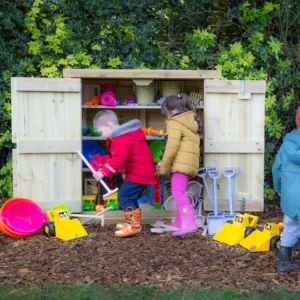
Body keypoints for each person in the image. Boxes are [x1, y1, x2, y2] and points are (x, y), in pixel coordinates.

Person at [92, 110, 157, 237]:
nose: (102, 136)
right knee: (130, 198)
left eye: (101, 132)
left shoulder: (121, 138)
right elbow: (128, 157)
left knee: (124, 197)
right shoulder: (126, 136)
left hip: (139, 173)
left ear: (108, 126)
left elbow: (119, 159)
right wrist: (124, 171)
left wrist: (103, 173)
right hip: (141, 172)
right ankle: (133, 223)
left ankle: (133, 225)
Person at [159, 93, 202, 236]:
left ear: (170, 112)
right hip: (188, 163)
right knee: (180, 192)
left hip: (180, 164)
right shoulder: (190, 120)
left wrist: (163, 166)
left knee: (177, 193)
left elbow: (171, 148)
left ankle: (189, 223)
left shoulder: (174, 123)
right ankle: (179, 221)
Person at [272, 106, 300, 271]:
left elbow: (277, 168)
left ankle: (284, 261)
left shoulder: (288, 142)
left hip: (291, 195)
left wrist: (279, 188)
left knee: (290, 225)